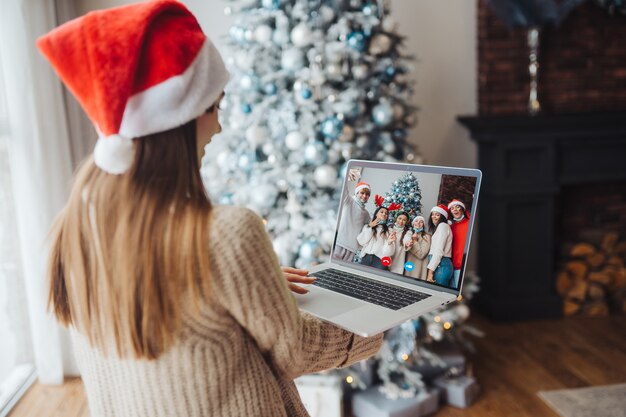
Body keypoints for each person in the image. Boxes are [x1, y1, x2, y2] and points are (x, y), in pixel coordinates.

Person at [39, 2, 382, 417]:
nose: (218, 127)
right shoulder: (225, 235)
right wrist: (380, 313)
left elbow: (184, 325)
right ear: (177, 120)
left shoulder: (73, 226)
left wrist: (260, 286)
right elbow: (299, 351)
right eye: (213, 107)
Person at [332, 168, 371, 262]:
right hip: (340, 242)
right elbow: (343, 190)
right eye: (362, 193)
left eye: (367, 194)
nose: (364, 196)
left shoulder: (366, 214)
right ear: (356, 193)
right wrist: (345, 177)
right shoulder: (349, 201)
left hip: (353, 248)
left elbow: (369, 227)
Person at [426, 204, 454, 286]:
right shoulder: (440, 227)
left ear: (442, 217)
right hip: (439, 264)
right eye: (433, 214)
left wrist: (430, 272)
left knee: (437, 293)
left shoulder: (443, 226)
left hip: (441, 265)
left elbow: (439, 250)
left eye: (437, 215)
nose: (433, 216)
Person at [448, 199, 470, 288]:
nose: (455, 209)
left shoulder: (469, 223)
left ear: (462, 209)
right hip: (450, 266)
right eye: (452, 208)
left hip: (462, 267)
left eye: (457, 207)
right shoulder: (450, 227)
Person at [404, 215, 431, 280]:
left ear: (423, 225)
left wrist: (415, 241)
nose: (418, 223)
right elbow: (405, 243)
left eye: (421, 222)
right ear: (413, 224)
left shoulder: (426, 237)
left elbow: (421, 254)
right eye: (416, 221)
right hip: (408, 267)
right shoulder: (408, 234)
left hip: (418, 270)